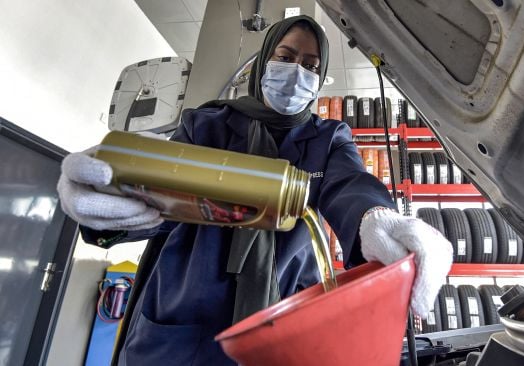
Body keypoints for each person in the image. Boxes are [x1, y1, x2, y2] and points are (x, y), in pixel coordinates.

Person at [57, 15, 452, 365]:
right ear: (264, 61)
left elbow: (349, 184)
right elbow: (160, 194)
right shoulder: (206, 126)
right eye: (285, 57)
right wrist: (110, 199)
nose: (297, 71)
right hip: (182, 316)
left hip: (282, 313)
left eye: (310, 66)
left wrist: (376, 218)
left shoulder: (328, 138)